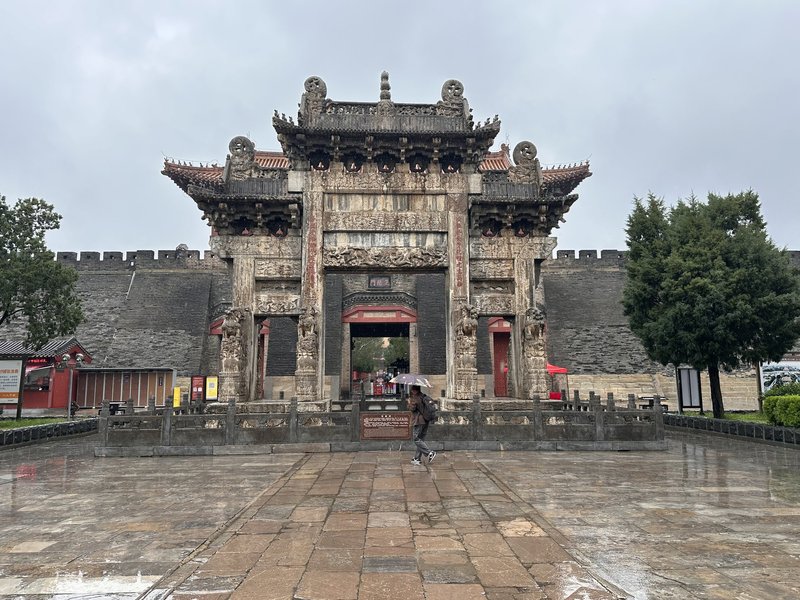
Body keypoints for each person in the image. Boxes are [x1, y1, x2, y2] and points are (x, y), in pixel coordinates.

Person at [408, 385, 436, 465]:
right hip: (426, 420)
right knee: (421, 440)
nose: (412, 391)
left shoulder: (415, 398)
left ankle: (429, 453)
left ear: (415, 390)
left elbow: (412, 409)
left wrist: (409, 402)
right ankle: (417, 458)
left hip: (419, 421)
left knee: (416, 439)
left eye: (412, 390)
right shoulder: (423, 396)